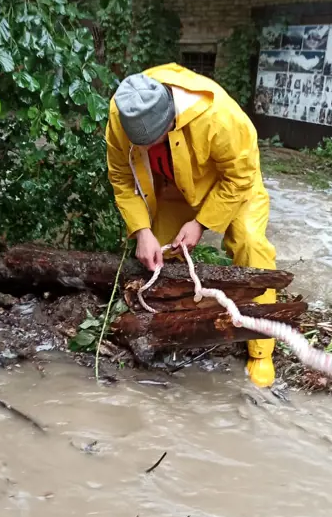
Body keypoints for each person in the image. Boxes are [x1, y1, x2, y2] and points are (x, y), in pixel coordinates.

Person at [105, 63, 278, 388]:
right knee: (159, 257)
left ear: (172, 119)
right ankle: (171, 334)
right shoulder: (122, 113)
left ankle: (260, 348)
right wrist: (141, 231)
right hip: (173, 184)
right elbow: (122, 178)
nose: (145, 150)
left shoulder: (220, 116)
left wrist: (201, 223)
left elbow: (240, 175)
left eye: (153, 142)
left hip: (232, 185)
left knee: (251, 245)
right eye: (141, 147)